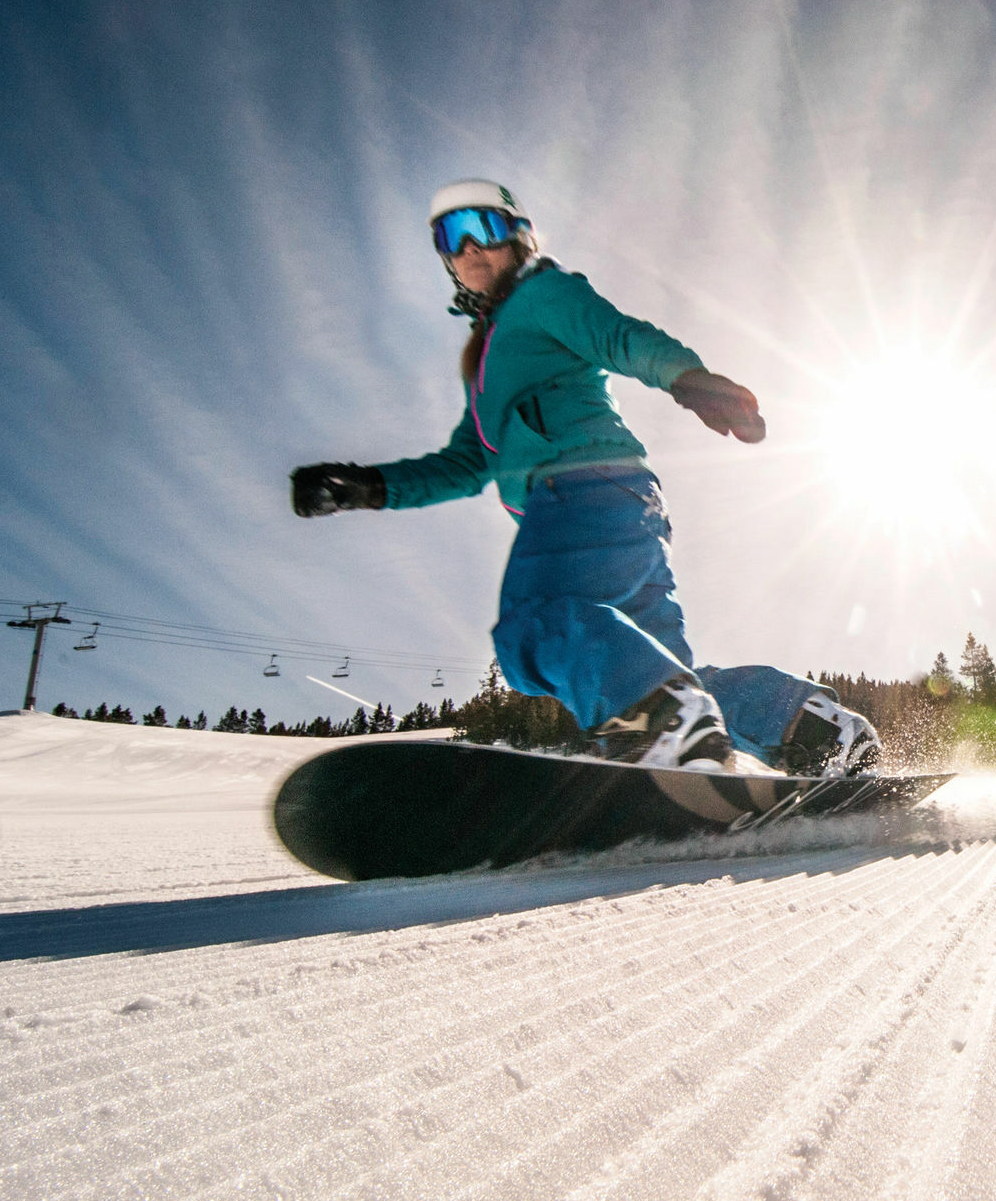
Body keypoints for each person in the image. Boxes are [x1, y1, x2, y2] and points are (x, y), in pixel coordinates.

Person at [290, 179, 880, 774]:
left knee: (534, 627)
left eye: (485, 227)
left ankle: (668, 730)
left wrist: (689, 379)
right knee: (661, 674)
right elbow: (467, 464)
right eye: (451, 235)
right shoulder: (485, 364)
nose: (470, 247)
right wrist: (367, 486)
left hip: (579, 491)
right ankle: (811, 730)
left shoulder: (542, 294)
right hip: (621, 501)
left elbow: (618, 337)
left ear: (519, 236)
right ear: (444, 257)